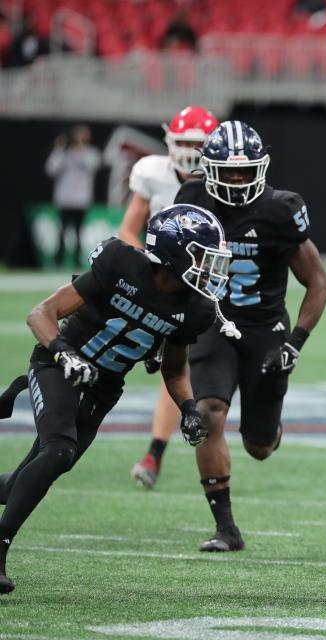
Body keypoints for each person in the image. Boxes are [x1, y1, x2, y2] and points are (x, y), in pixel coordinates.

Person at [0, 204, 230, 594]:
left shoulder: (195, 310)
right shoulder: (121, 263)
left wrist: (189, 408)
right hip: (58, 364)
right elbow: (42, 314)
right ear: (173, 253)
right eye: (202, 259)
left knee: (22, 483)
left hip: (103, 389)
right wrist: (63, 353)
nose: (210, 271)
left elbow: (174, 370)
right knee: (59, 450)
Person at [175, 121, 326, 551]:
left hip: (265, 329)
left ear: (261, 169)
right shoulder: (191, 199)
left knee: (259, 446)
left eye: (246, 172)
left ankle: (269, 428)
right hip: (211, 323)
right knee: (208, 413)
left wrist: (295, 341)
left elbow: (317, 282)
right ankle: (226, 527)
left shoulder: (281, 210)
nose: (239, 180)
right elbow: (171, 271)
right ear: (209, 169)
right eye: (230, 171)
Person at [120, 105, 220, 489]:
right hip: (161, 280)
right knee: (171, 367)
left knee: (179, 368)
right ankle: (154, 453)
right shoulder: (152, 172)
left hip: (205, 286)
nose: (191, 150)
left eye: (199, 143)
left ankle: (154, 454)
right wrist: (150, 268)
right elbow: (129, 231)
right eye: (185, 142)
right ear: (169, 141)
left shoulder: (221, 179)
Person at [45, 125, 101, 268]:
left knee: (78, 231)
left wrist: (81, 148)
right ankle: (58, 261)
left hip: (81, 200)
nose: (80, 138)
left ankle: (76, 259)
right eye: (78, 135)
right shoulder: (64, 154)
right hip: (64, 200)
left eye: (83, 135)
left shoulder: (91, 153)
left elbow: (91, 166)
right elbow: (51, 169)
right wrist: (59, 149)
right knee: (62, 231)